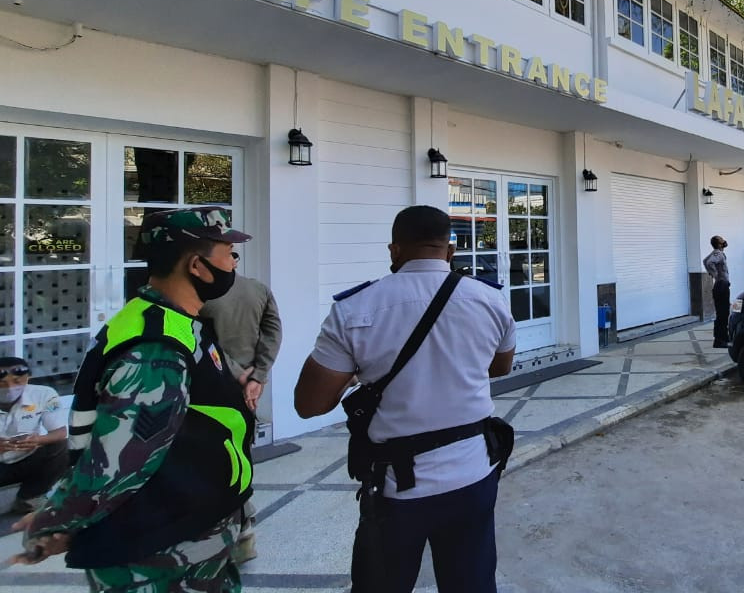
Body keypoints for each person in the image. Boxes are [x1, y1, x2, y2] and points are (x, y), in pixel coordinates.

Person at [9, 207, 255, 592]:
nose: (235, 261)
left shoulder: (175, 322)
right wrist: (58, 518)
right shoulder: (155, 348)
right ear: (197, 266)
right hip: (158, 550)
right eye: (229, 252)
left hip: (190, 526)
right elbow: (120, 460)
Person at [294, 205, 515, 593]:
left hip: (397, 489)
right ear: (450, 251)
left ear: (394, 251)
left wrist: (361, 370)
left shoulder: (354, 309)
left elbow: (310, 404)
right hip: (473, 475)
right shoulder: (490, 299)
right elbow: (500, 368)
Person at [200, 269, 283, 565]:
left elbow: (201, 339)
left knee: (215, 461)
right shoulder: (257, 288)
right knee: (240, 457)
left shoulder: (199, 292)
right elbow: (273, 331)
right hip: (247, 389)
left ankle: (233, 531)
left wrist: (239, 375)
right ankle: (244, 532)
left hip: (211, 388)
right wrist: (257, 375)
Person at [0, 358, 68, 515]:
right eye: (2, 383)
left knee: (61, 446)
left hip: (26, 458)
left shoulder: (45, 394)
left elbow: (60, 432)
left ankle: (29, 499)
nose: (10, 387)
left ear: (28, 377)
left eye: (17, 381)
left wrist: (37, 440)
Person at [703, 236, 731, 349]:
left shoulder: (716, 253)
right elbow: (709, 263)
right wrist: (716, 275)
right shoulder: (718, 254)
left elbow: (705, 261)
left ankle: (723, 337)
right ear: (719, 244)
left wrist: (713, 274)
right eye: (721, 240)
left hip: (721, 285)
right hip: (721, 285)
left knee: (723, 313)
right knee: (722, 314)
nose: (724, 241)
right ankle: (719, 340)